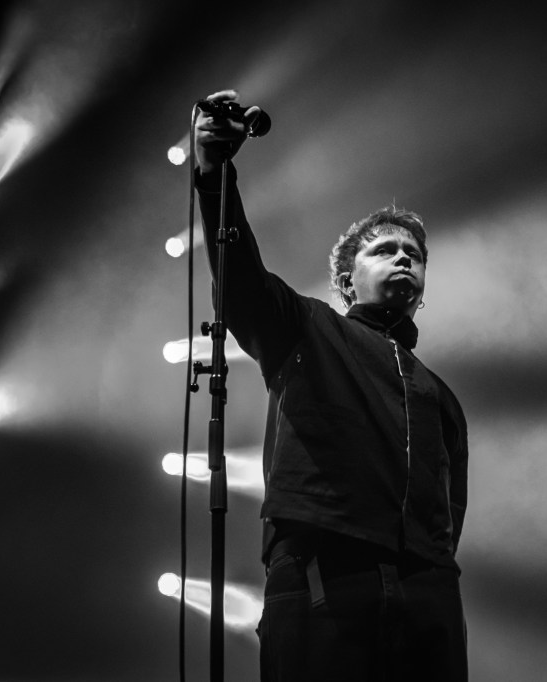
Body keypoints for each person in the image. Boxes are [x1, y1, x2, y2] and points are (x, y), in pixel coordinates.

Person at [193, 89, 469, 682]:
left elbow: (453, 506)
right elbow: (241, 286)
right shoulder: (309, 327)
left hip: (427, 594)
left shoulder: (439, 394)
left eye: (414, 254)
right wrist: (216, 177)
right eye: (385, 249)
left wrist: (435, 573)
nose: (403, 259)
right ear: (347, 278)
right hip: (324, 574)